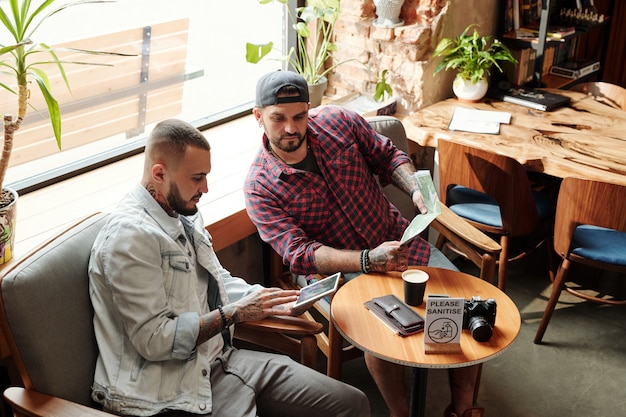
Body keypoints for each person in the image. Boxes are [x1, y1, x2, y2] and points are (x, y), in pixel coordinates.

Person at [88, 118, 370, 417]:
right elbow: (155, 340)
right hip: (168, 391)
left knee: (352, 404)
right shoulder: (129, 239)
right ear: (159, 173)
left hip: (222, 361)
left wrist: (268, 302)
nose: (205, 188)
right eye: (197, 178)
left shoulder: (180, 211)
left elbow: (214, 278)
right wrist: (234, 313)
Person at [244, 70, 484, 417]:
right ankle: (401, 413)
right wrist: (368, 261)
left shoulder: (339, 122)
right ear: (259, 116)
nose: (291, 128)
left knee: (460, 307)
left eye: (299, 116)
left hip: (400, 244)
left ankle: (461, 409)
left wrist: (416, 189)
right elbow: (301, 254)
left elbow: (388, 157)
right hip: (344, 275)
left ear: (310, 109)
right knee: (383, 333)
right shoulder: (259, 186)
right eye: (278, 119)